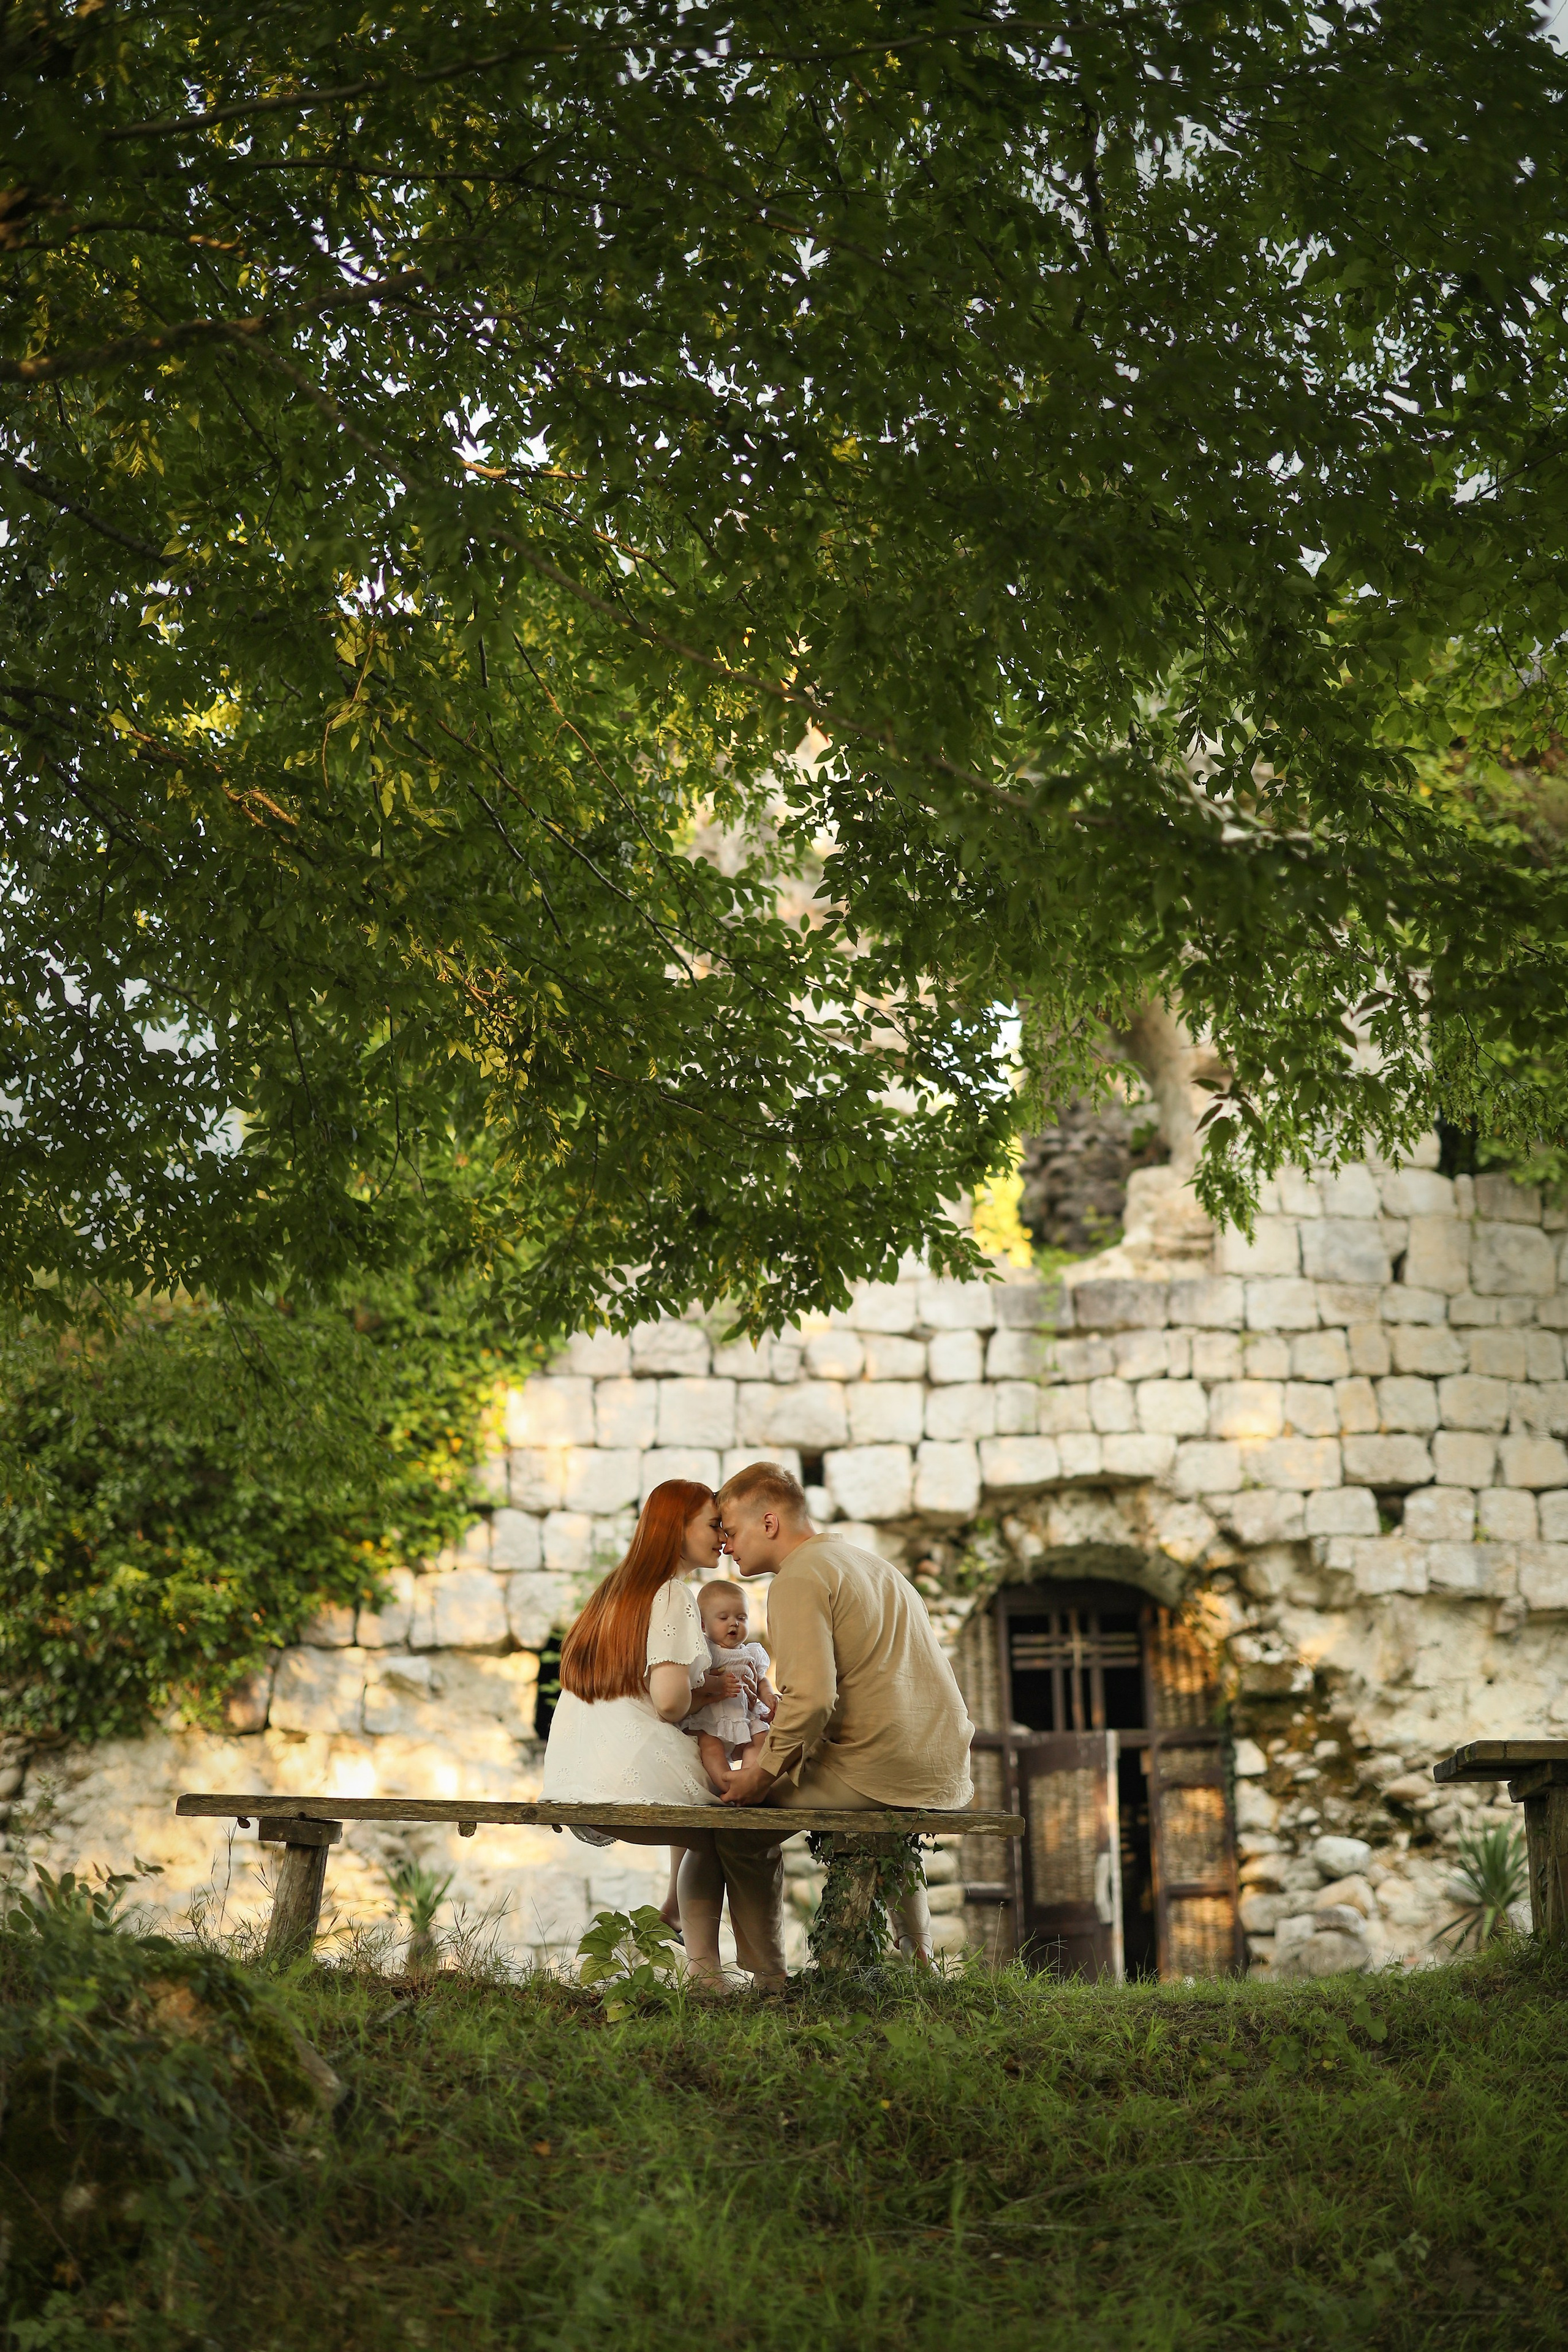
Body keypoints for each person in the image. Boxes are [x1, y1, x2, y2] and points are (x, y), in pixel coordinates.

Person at [714, 1459, 975, 1961]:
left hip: (878, 1768)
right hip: (939, 1764)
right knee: (886, 1831)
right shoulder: (872, 1565)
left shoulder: (797, 1578)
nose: (725, 1546)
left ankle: (768, 1974)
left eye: (731, 1531)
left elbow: (813, 1699)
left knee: (737, 1830)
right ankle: (920, 1960)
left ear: (769, 1522)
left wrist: (762, 1774)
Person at [540, 1479, 766, 1985]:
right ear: (676, 1528)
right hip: (629, 1763)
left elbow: (642, 1690)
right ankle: (708, 1972)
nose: (724, 1537)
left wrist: (699, 1690)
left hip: (574, 1767)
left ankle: (673, 1916)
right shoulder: (672, 1593)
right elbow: (668, 1703)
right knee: (725, 1816)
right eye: (714, 1525)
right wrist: (709, 1691)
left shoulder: (614, 1590)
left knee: (697, 1798)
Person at [682, 1578, 778, 1795]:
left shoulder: (752, 1652)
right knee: (710, 1748)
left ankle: (748, 1779)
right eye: (724, 1618)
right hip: (712, 1717)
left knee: (761, 1740)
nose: (734, 1623)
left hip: (746, 1716)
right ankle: (726, 1784)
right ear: (703, 1625)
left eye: (741, 1618)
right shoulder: (705, 1651)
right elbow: (694, 1680)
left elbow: (761, 1679)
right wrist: (716, 1683)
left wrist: (768, 1695)